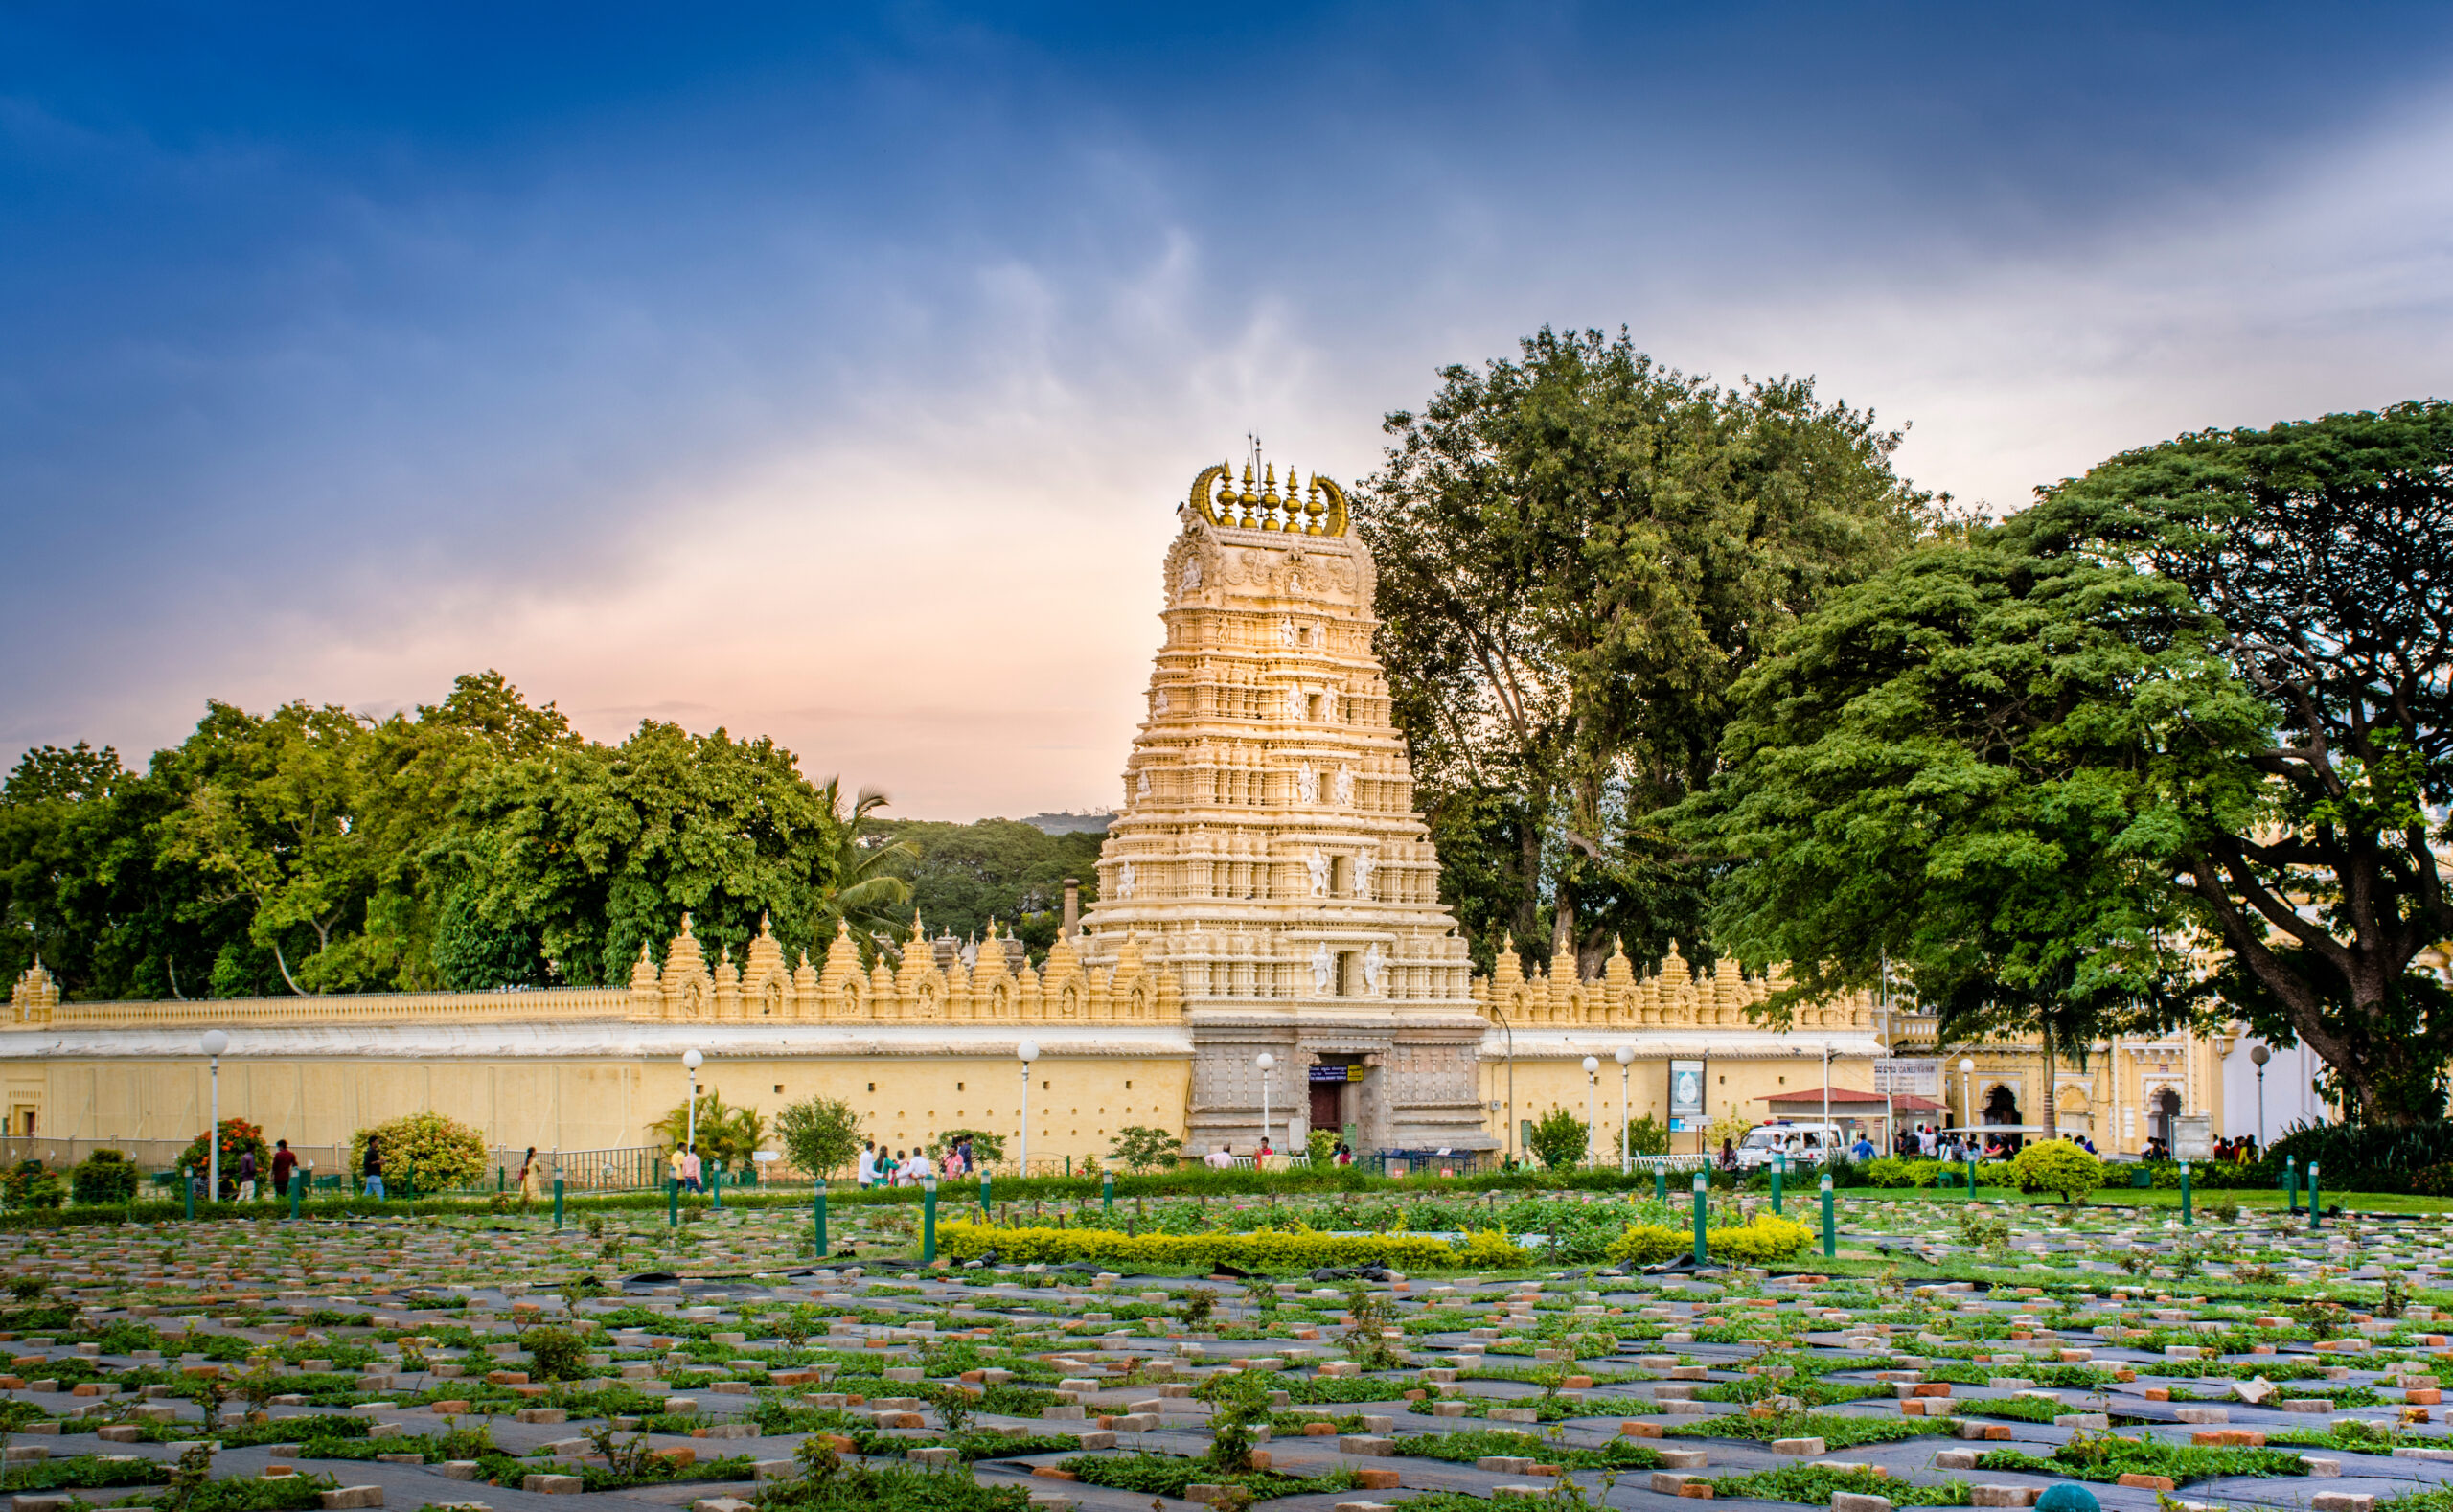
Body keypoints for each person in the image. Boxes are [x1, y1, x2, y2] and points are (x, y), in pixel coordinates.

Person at [362, 1134, 386, 1201]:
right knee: (380, 1192)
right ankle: (381, 1206)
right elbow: (366, 1163)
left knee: (367, 1193)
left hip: (372, 1175)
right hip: (373, 1175)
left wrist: (380, 1162)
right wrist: (377, 1162)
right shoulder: (370, 1152)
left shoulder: (374, 1151)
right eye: (376, 1141)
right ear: (372, 1142)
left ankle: (360, 1204)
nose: (378, 1143)